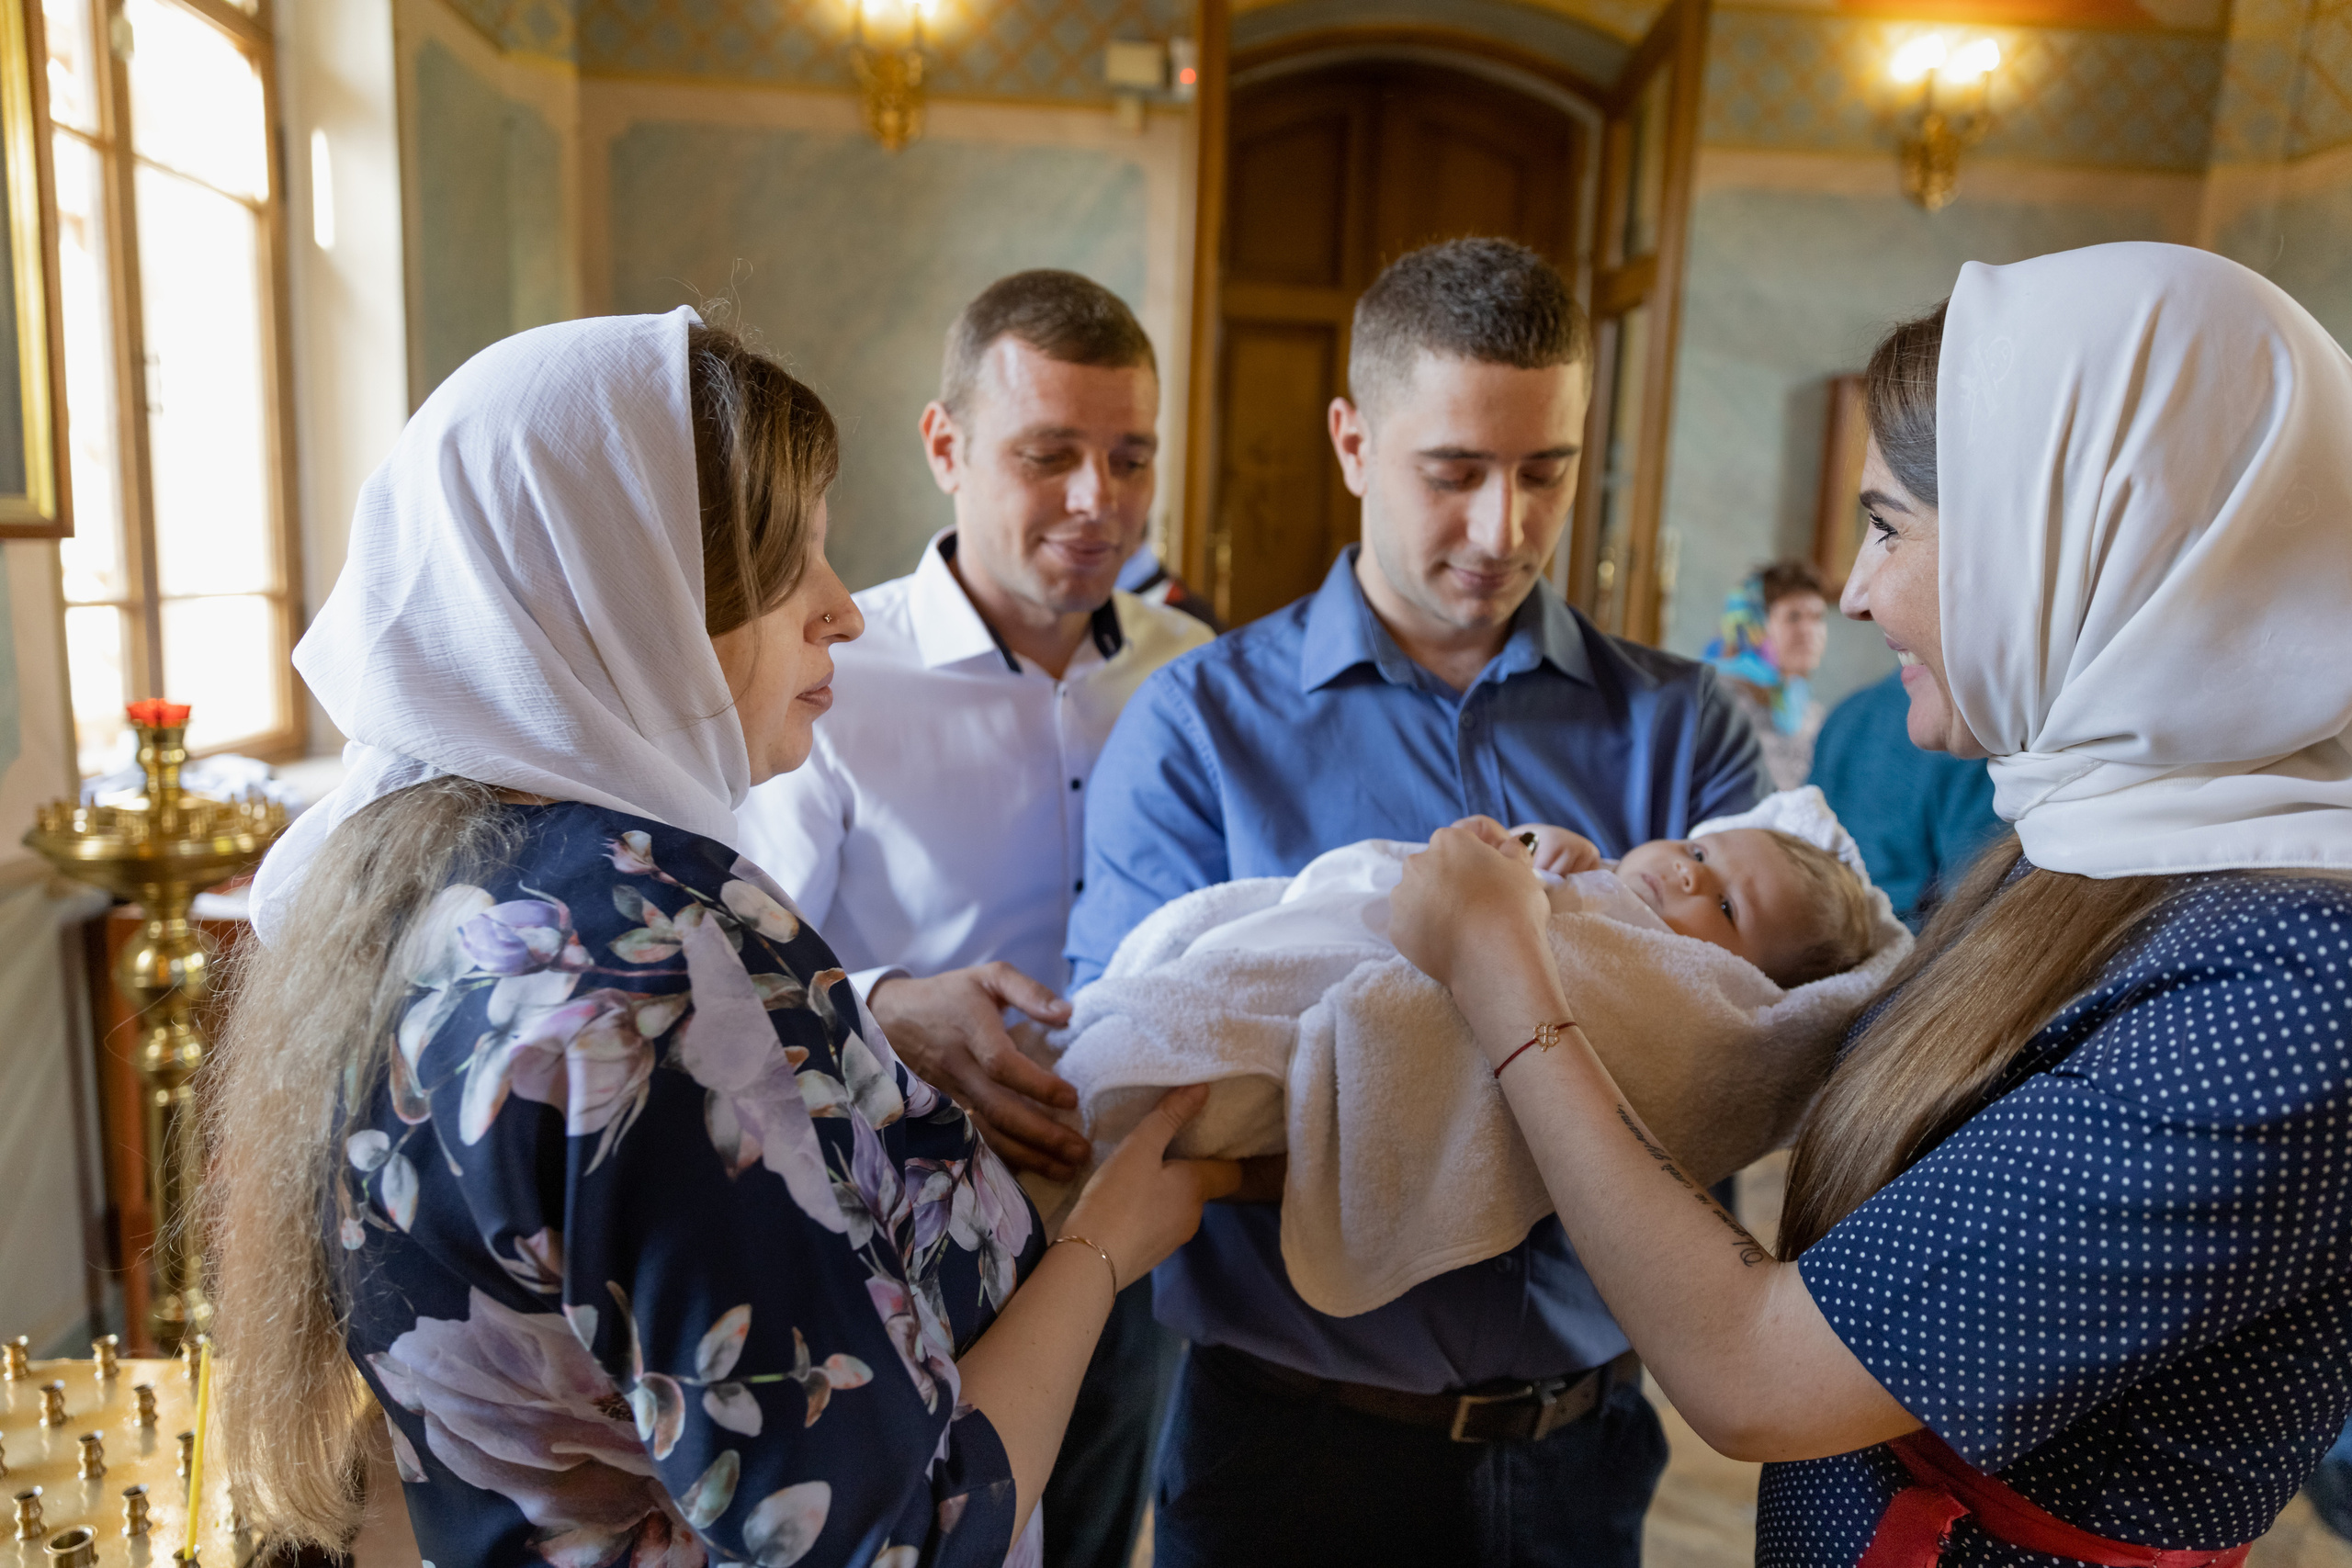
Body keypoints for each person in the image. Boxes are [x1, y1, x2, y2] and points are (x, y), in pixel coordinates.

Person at [199, 310, 1237, 1567]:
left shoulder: (414, 873)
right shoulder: (671, 959)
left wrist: (864, 1022)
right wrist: (1103, 1238)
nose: (842, 610)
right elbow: (899, 1533)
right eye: (787, 562)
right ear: (621, 590)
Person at [1388, 242, 2352, 1566]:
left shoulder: (2290, 996)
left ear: (2081, 542)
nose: (1850, 590)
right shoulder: (2101, 840)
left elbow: (1749, 1368)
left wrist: (1511, 979)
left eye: (1890, 525)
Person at [1069, 236, 1768, 1568]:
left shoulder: (1686, 731)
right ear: (1350, 440)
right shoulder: (1197, 729)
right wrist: (1563, 1073)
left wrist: (1356, 1088)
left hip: (1582, 1444)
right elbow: (1143, 1093)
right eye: (1453, 472)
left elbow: (1737, 1073)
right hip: (1281, 1449)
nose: (1504, 527)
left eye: (1545, 470)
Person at [734, 270, 1213, 1568]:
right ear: (946, 446)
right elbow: (736, 951)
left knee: (1103, 1524)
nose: (1094, 500)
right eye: (1047, 454)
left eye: (1129, 456)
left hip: (1137, 1208)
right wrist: (886, 1002)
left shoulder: (1195, 670)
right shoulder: (835, 671)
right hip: (900, 1228)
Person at [1810, 668, 2001, 926]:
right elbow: (1982, 910)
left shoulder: (1848, 712)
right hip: (1920, 952)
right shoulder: (1970, 733)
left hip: (1828, 940)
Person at [1704, 560, 1830, 789]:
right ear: (1754, 626)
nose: (1809, 631)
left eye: (1817, 617)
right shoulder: (1715, 703)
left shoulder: (1810, 713)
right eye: (1793, 617)